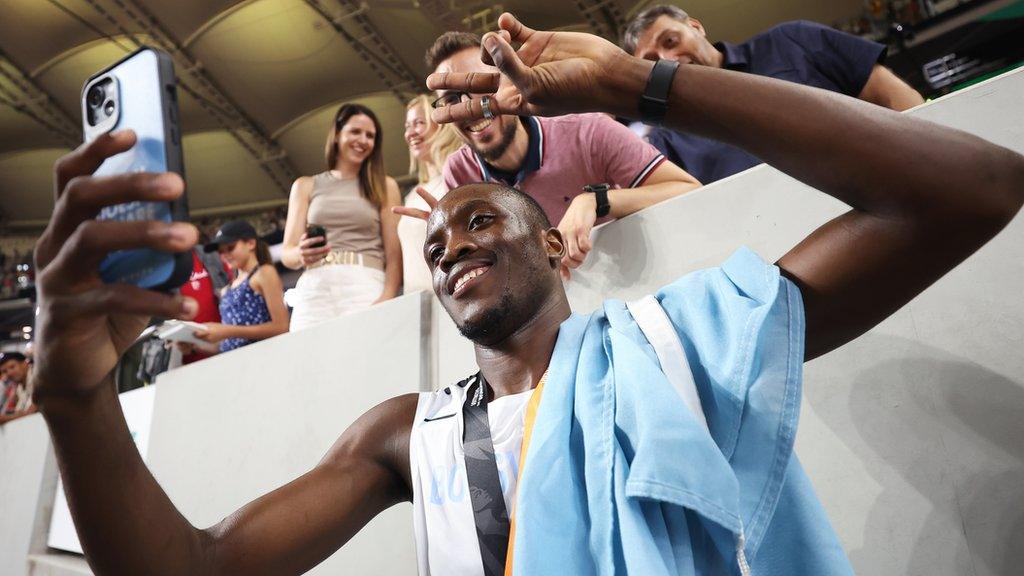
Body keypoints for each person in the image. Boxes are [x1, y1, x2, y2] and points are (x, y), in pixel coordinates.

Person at [28, 12, 1024, 576]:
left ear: (553, 242)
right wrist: (72, 399)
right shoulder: (398, 436)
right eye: (441, 231)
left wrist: (642, 85)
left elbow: (970, 190)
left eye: (482, 220)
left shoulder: (677, 339)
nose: (454, 240)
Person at [426, 31, 702, 276]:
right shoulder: (460, 173)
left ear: (509, 81)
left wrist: (596, 201)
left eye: (481, 87)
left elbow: (687, 189)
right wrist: (444, 243)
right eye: (452, 99)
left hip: (626, 277)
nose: (471, 106)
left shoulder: (587, 130)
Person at [622, 4, 926, 185]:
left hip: (881, 198)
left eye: (671, 41)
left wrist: (927, 168)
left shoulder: (792, 41)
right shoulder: (668, 141)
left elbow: (891, 96)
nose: (668, 60)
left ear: (696, 27)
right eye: (651, 62)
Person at [280, 103, 402, 331]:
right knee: (308, 362)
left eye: (370, 136)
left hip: (365, 284)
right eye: (355, 131)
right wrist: (301, 253)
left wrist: (388, 295)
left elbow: (394, 254)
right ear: (337, 134)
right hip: (313, 288)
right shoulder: (305, 185)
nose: (363, 140)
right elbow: (288, 254)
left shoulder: (385, 186)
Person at [398, 94, 464, 294]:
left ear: (442, 125)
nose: (411, 133)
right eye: (407, 126)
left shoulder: (458, 177)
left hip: (453, 296)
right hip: (415, 304)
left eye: (419, 122)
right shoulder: (412, 196)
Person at [196, 220, 289, 353]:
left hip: (263, 358)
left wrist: (227, 331)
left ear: (250, 243)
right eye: (221, 252)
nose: (225, 256)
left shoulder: (264, 273)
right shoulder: (226, 290)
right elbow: (228, 344)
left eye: (230, 248)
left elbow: (281, 326)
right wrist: (196, 346)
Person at [0, 351, 35, 424]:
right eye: (5, 371)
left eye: (12, 367)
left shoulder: (40, 379)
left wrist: (6, 418)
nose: (9, 373)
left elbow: (31, 413)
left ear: (24, 364)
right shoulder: (18, 388)